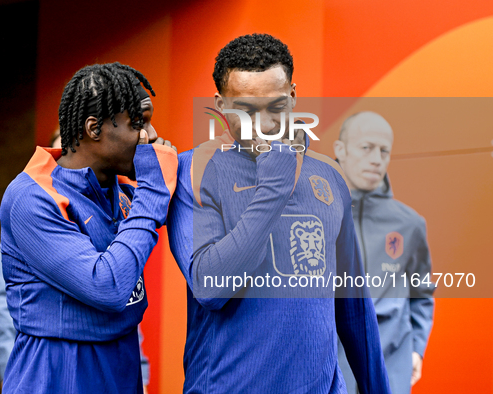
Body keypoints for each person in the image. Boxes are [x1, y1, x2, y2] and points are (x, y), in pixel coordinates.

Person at [166, 33, 390, 393]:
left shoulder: (328, 175)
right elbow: (211, 286)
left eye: (276, 107)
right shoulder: (192, 170)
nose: (264, 126)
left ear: (293, 97)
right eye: (246, 111)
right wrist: (274, 185)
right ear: (221, 105)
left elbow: (354, 307)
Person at [0, 62, 177, 393]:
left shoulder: (124, 192)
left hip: (122, 365)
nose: (151, 136)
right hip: (58, 373)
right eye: (138, 123)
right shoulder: (31, 198)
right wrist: (153, 194)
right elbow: (106, 287)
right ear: (94, 128)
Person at [0, 128, 152, 391]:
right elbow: (3, 311)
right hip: (50, 373)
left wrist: (139, 374)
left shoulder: (116, 202)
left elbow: (125, 300)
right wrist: (23, 376)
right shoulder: (33, 209)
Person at [333, 111, 435, 394]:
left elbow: (421, 293)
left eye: (384, 150)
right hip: (333, 368)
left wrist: (416, 349)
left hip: (392, 366)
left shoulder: (410, 223)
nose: (377, 159)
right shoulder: (320, 215)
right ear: (340, 150)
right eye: (366, 148)